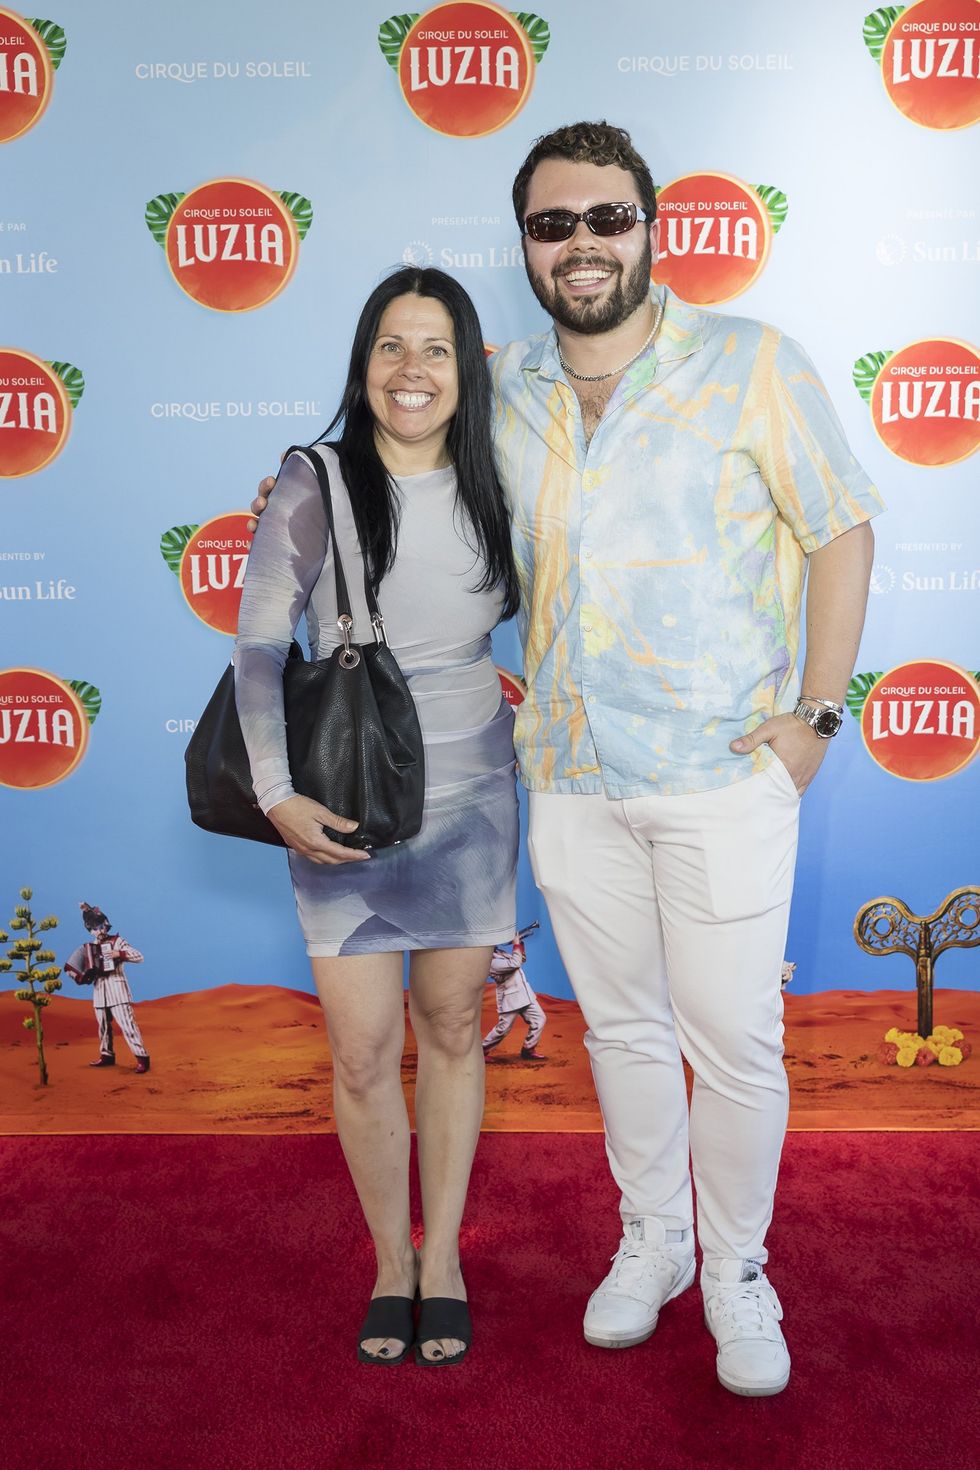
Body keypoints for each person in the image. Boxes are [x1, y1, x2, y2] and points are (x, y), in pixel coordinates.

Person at [250, 122, 882, 1397]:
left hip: (718, 770)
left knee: (735, 1041)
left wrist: (814, 718)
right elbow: (404, 489)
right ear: (527, 246)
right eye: (552, 226)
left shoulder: (752, 363)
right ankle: (650, 1243)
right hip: (569, 778)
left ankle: (738, 1274)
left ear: (650, 227)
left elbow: (840, 529)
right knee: (625, 1037)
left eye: (604, 219)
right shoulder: (510, 391)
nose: (580, 244)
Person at [234, 267, 520, 1367]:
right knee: (361, 1054)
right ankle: (387, 1266)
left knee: (452, 1031)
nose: (412, 370)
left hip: (474, 802)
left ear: (466, 368)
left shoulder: (502, 478)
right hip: (343, 804)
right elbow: (259, 649)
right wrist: (275, 794)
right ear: (363, 363)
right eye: (391, 347)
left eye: (436, 348)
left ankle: (439, 1258)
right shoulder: (313, 481)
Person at [63, 902, 150, 1074]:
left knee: (127, 1024)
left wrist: (120, 954)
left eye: (102, 926)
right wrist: (80, 977)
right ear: (90, 930)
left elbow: (139, 956)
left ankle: (142, 1058)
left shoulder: (117, 942)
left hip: (117, 990)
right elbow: (73, 967)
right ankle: (107, 1055)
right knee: (103, 1026)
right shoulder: (88, 949)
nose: (100, 931)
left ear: (106, 925)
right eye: (95, 929)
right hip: (99, 991)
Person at [482, 933, 547, 1060]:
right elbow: (515, 963)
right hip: (510, 998)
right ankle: (482, 1050)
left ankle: (529, 1049)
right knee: (503, 1029)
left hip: (524, 994)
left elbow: (521, 959)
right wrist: (515, 944)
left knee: (539, 1019)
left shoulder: (499, 953)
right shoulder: (490, 962)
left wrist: (520, 944)